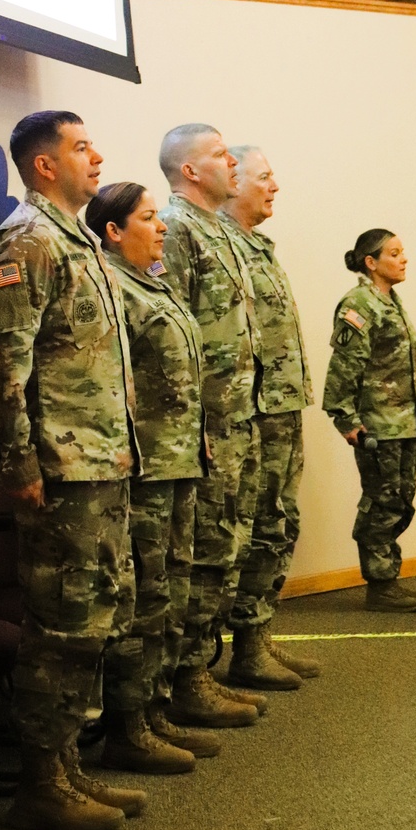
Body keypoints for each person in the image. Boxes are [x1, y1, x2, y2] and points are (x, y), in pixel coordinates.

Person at [0, 110, 155, 830]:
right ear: (44, 165)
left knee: (95, 620)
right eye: (81, 147)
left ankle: (68, 765)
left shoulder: (77, 241)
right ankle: (40, 782)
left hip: (101, 462)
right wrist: (16, 462)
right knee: (60, 626)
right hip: (60, 470)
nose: (97, 156)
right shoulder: (29, 241)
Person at [85, 182, 221, 767]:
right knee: (140, 596)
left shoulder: (155, 284)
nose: (161, 225)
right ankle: (127, 725)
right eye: (147, 218)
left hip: (177, 460)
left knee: (170, 590)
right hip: (142, 468)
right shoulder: (112, 289)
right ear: (114, 231)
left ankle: (157, 709)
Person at [156, 122, 264, 729]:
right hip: (204, 428)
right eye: (221, 154)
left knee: (227, 549)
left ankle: (202, 669)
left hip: (238, 417)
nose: (233, 163)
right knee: (200, 555)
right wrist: (194, 424)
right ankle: (188, 678)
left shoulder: (220, 232)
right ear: (191, 170)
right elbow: (174, 335)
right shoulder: (176, 232)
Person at [220, 147, 321, 689]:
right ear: (232, 181)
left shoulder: (256, 246)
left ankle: (257, 637)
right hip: (250, 413)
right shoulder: (215, 246)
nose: (275, 185)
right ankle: (243, 650)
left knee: (279, 523)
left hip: (281, 405)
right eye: (264, 177)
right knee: (251, 529)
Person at [323, 228, 416, 613]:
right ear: (371, 262)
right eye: (394, 253)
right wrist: (346, 418)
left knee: (401, 501)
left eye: (403, 252)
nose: (403, 259)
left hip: (405, 422)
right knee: (381, 501)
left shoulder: (391, 301)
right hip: (377, 425)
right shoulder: (359, 304)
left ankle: (388, 578)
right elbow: (344, 366)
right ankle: (381, 584)